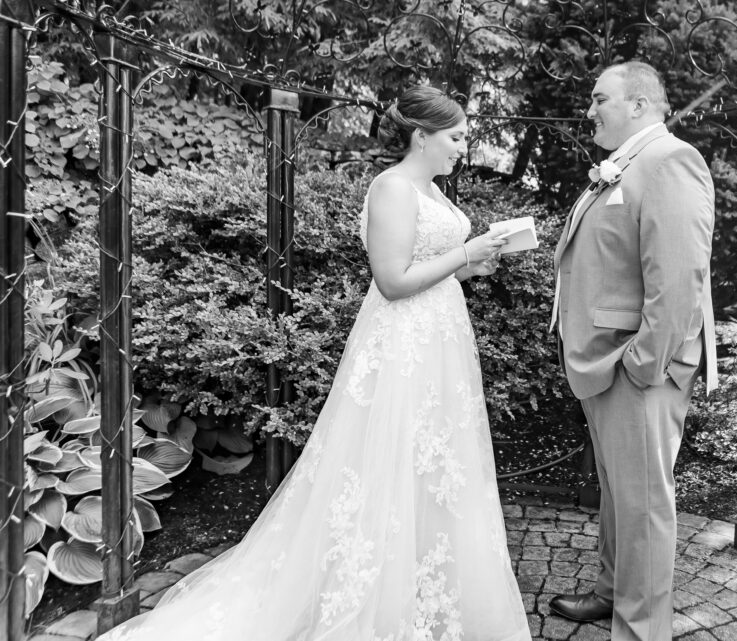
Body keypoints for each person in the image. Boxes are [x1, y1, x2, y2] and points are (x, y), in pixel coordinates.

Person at [96, 85, 530, 641]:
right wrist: (465, 253)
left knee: (437, 464)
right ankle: (370, 598)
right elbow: (393, 282)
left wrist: (475, 265)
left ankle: (428, 586)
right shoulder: (393, 188)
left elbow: (434, 267)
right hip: (403, 344)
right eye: (455, 136)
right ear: (422, 136)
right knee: (388, 458)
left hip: (443, 340)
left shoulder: (435, 193)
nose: (462, 146)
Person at [547, 61, 718, 641]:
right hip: (605, 361)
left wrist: (642, 365)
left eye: (601, 98)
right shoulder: (625, 165)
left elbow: (676, 282)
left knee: (643, 504)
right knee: (621, 494)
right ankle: (610, 593)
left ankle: (641, 629)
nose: (590, 109)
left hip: (636, 367)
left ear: (640, 104)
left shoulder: (670, 162)